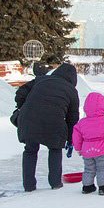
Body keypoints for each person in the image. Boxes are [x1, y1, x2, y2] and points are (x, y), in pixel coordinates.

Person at [14, 62, 80, 192]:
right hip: (54, 122)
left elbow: (20, 92)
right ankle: (55, 183)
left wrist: (24, 106)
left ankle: (29, 185)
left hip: (29, 119)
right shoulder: (71, 91)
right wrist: (70, 138)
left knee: (30, 150)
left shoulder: (41, 79)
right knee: (55, 149)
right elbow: (73, 118)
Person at [71, 92, 104, 196]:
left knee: (89, 169)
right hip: (102, 151)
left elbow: (76, 137)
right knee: (102, 168)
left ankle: (87, 186)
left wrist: (78, 148)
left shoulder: (82, 123)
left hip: (87, 152)